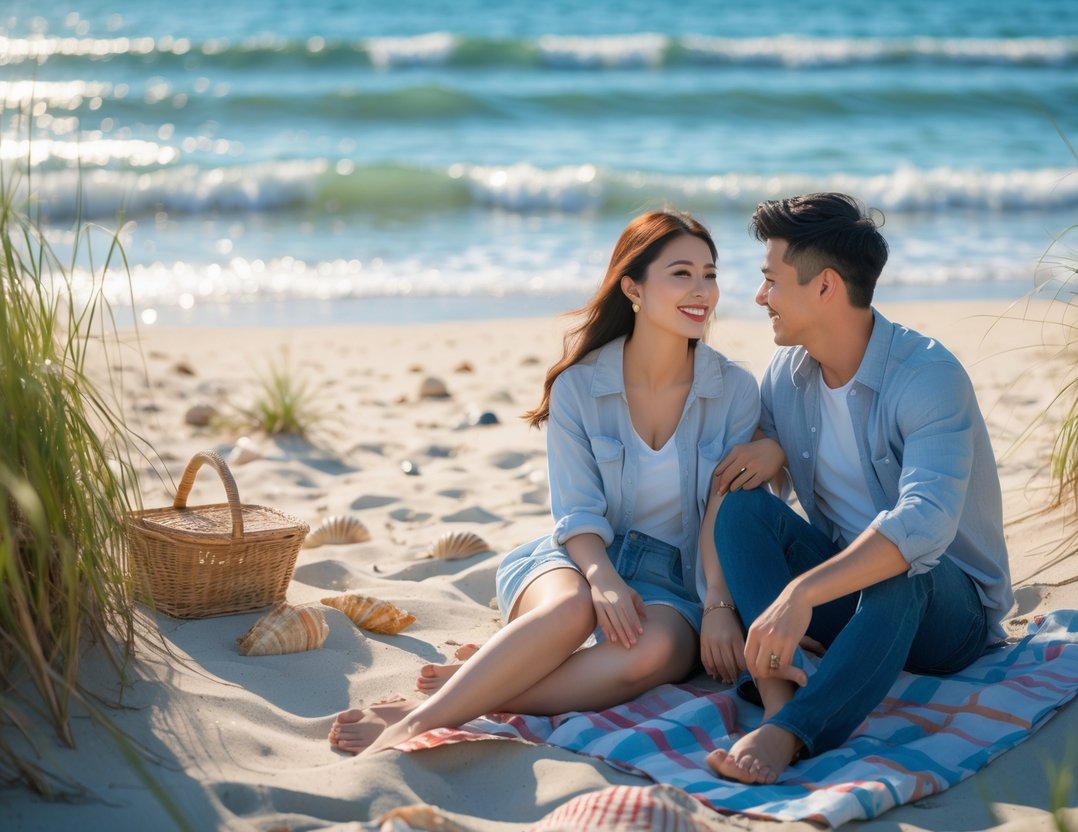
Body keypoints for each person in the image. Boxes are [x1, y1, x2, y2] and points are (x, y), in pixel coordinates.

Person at [328, 210, 759, 755]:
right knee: (571, 609)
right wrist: (602, 579)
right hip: (577, 559)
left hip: (675, 581)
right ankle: (417, 726)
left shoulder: (735, 390)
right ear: (633, 286)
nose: (702, 291)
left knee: (651, 655)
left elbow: (728, 507)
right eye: (681, 274)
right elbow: (575, 512)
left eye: (710, 274)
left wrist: (718, 602)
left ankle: (467, 695)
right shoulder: (579, 386)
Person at [703, 193, 1013, 784]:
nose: (758, 296)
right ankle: (779, 689)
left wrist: (799, 596)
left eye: (770, 281)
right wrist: (770, 445)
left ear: (824, 287)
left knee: (900, 567)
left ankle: (793, 733)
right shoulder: (787, 376)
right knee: (742, 509)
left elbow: (922, 523)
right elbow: (766, 443)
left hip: (948, 611)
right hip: (843, 596)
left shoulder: (928, 375)